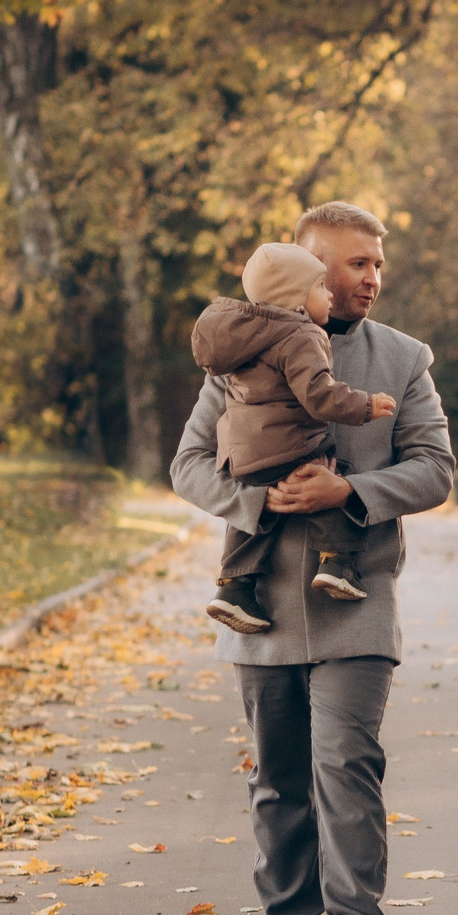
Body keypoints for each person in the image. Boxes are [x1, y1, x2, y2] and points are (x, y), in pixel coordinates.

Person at [171, 202, 456, 915]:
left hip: (356, 603)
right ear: (305, 271)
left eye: (376, 263)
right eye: (354, 264)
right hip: (258, 610)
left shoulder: (401, 360)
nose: (371, 277)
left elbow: (435, 467)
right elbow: (189, 462)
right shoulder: (236, 356)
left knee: (348, 769)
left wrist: (351, 491)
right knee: (279, 780)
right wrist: (257, 507)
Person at [190, 241, 399, 633]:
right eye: (321, 286)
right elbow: (319, 396)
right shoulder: (302, 334)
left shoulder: (243, 338)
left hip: (243, 454)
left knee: (254, 516)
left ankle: (233, 586)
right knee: (332, 475)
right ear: (296, 300)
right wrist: (366, 406)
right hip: (290, 444)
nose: (330, 294)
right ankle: (336, 563)